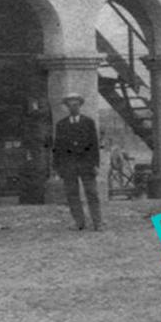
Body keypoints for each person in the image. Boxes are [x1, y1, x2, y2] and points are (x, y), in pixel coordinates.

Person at [53, 93, 102, 230]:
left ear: (80, 105)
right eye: (70, 105)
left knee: (92, 193)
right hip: (69, 165)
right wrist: (57, 167)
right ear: (67, 107)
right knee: (72, 194)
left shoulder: (88, 122)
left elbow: (94, 145)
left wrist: (95, 164)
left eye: (76, 104)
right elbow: (57, 147)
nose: (73, 107)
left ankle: (97, 222)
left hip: (86, 164)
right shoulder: (61, 125)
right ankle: (79, 222)